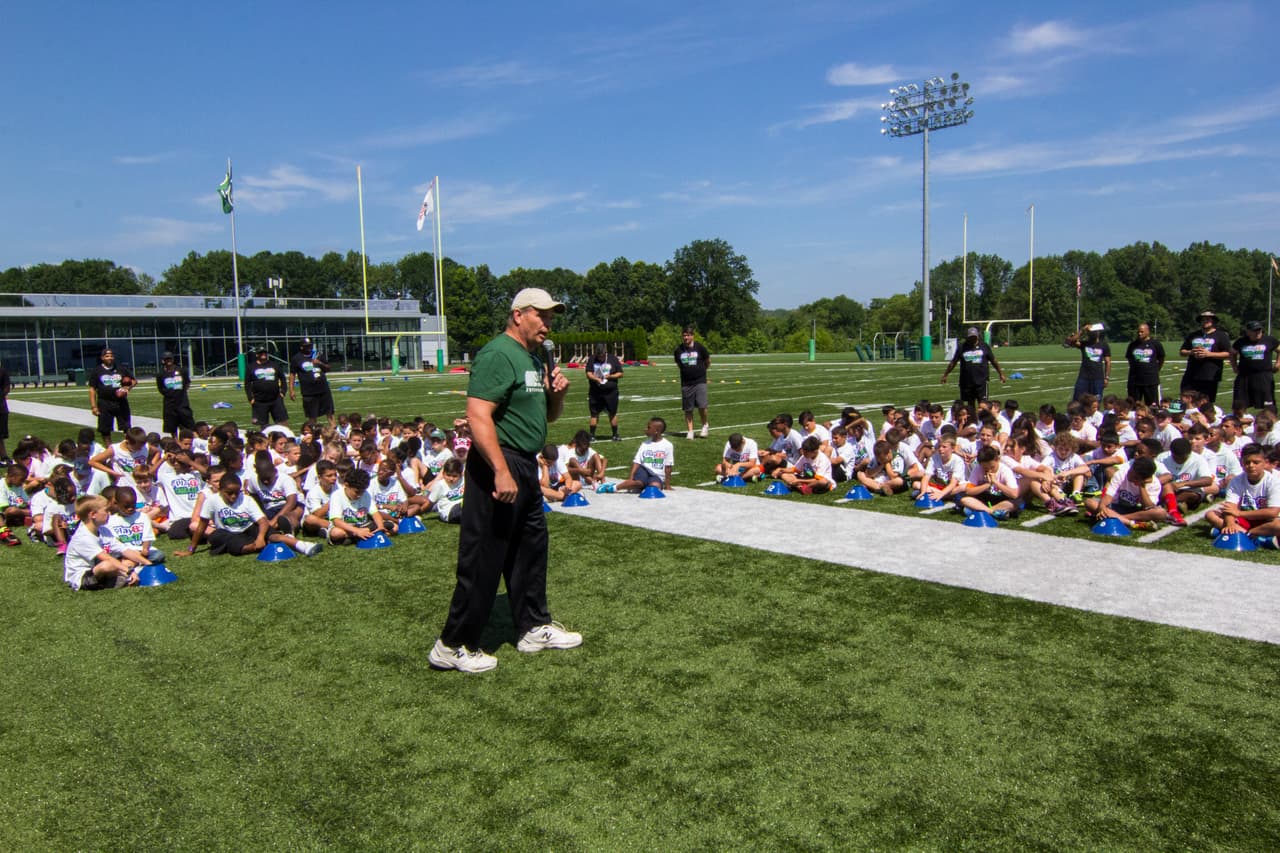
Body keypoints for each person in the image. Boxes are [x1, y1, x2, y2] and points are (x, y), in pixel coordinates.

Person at [430, 287, 580, 674]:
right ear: (518, 315)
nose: (548, 323)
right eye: (541, 315)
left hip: (524, 464)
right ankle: (453, 643)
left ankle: (533, 625)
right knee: (484, 556)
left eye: (551, 317)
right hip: (500, 462)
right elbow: (478, 414)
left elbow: (548, 418)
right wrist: (499, 469)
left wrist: (556, 394)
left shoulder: (531, 357)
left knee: (530, 549)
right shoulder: (499, 353)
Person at [63, 495, 137, 590]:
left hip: (97, 567)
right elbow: (107, 559)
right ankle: (114, 580)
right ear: (93, 515)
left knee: (128, 561)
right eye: (106, 511)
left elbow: (123, 549)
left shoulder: (102, 530)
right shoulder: (83, 537)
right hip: (82, 578)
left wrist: (148, 563)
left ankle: (115, 580)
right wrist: (129, 572)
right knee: (108, 565)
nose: (109, 513)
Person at [940, 327, 1006, 409]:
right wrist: (945, 375)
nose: (973, 339)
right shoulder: (962, 347)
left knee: (983, 405)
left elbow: (993, 361)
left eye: (974, 337)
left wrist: (1001, 373)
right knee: (970, 406)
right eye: (971, 337)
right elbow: (953, 362)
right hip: (967, 382)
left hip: (981, 381)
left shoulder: (984, 346)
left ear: (978, 336)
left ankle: (983, 421)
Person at [1179, 309, 1232, 405]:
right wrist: (1191, 352)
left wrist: (1209, 354)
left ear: (1213, 321)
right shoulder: (1193, 335)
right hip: (1191, 373)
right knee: (1186, 399)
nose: (1205, 322)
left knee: (1205, 403)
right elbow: (1182, 351)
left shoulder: (1221, 335)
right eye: (1203, 320)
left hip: (1209, 375)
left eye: (1208, 319)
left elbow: (1228, 353)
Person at [87, 348, 137, 440]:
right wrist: (94, 406)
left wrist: (126, 388)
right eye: (107, 356)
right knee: (105, 429)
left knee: (126, 427)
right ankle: (109, 450)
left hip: (120, 402)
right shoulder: (97, 371)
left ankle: (127, 447)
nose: (109, 358)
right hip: (104, 402)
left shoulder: (121, 369)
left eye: (111, 356)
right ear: (102, 358)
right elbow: (92, 389)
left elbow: (133, 381)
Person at [1230, 320, 1280, 411]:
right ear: (1248, 331)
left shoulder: (1269, 340)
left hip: (1263, 375)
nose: (1257, 332)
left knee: (1268, 405)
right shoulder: (1241, 341)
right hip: (1244, 376)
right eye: (1254, 330)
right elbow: (1232, 353)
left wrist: (1278, 363)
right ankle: (1239, 423)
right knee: (1239, 404)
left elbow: (1279, 350)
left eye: (1259, 330)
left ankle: (1270, 423)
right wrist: (1234, 366)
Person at [615, 417, 674, 493]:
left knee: (655, 487)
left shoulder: (668, 445)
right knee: (638, 483)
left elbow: (668, 466)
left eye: (649, 428)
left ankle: (644, 485)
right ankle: (614, 488)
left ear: (656, 431)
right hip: (643, 471)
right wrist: (631, 478)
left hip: (657, 475)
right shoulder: (645, 444)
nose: (646, 429)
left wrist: (667, 485)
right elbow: (637, 462)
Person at [674, 327, 711, 440]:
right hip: (686, 383)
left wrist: (701, 372)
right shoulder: (678, 350)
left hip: (700, 381)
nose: (686, 337)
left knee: (702, 405)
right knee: (688, 408)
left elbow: (707, 361)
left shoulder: (699, 347)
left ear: (692, 336)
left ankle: (705, 425)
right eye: (684, 335)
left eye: (688, 335)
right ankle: (690, 431)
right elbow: (678, 363)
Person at [289, 339, 335, 427]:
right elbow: (292, 374)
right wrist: (291, 390)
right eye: (306, 346)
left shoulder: (318, 355)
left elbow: (328, 368)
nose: (309, 348)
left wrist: (320, 363)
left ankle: (334, 430)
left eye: (310, 346)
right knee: (312, 415)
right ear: (301, 347)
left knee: (329, 412)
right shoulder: (297, 358)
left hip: (323, 389)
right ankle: (313, 432)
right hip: (308, 391)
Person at [585, 346, 624, 442]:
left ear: (605, 353)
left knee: (612, 413)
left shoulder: (613, 359)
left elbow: (621, 373)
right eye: (599, 356)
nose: (600, 358)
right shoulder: (592, 359)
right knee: (594, 414)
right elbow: (588, 373)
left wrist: (611, 376)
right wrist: (596, 378)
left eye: (602, 356)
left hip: (610, 392)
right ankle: (592, 435)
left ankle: (615, 434)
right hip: (595, 392)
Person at [1064, 323, 1111, 402]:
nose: (1090, 334)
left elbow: (1108, 362)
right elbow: (1069, 341)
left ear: (1098, 333)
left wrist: (1106, 378)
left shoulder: (1104, 345)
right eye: (1089, 332)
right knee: (1077, 400)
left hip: (1098, 378)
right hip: (1084, 377)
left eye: (1092, 332)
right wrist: (1082, 330)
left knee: (1095, 402)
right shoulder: (1084, 344)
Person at [246, 346, 289, 427]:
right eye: (261, 353)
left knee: (283, 422)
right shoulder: (251, 367)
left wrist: (283, 392)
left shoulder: (274, 365)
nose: (263, 354)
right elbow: (247, 383)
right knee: (263, 425)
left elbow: (283, 379)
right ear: (257, 354)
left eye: (265, 352)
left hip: (276, 399)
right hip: (260, 400)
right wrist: (250, 398)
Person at [156, 351, 196, 435]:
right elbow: (160, 388)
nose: (168, 361)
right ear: (163, 361)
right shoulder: (160, 374)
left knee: (187, 424)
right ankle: (175, 442)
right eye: (166, 359)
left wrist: (181, 392)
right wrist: (169, 393)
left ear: (173, 359)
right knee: (171, 427)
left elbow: (187, 383)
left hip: (182, 402)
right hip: (169, 404)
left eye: (170, 359)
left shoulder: (181, 371)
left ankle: (184, 439)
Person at [1124, 323, 1165, 404]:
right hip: (1135, 380)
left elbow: (1161, 358)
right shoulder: (1133, 345)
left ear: (1147, 332)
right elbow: (1130, 359)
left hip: (1151, 380)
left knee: (1152, 405)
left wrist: (1156, 369)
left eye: (1142, 332)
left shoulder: (1155, 344)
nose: (1140, 334)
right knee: (1133, 405)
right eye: (1138, 332)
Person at [0, 360, 10, 462]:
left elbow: (7, 387)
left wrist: (1, 395)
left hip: (1, 408)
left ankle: (4, 456)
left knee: (0, 435)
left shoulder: (2, 371)